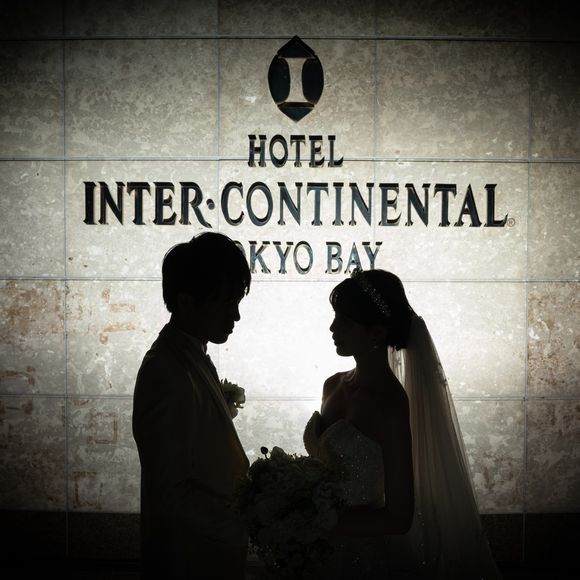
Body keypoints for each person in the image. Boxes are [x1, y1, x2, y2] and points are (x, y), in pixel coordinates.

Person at [303, 268, 502, 579]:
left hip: (361, 557)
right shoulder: (332, 385)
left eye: (345, 320)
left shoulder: (390, 405)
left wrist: (317, 521)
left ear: (376, 334)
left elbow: (399, 518)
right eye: (335, 316)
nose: (332, 327)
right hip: (313, 550)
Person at [132, 232, 251, 580]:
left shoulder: (190, 354)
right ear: (186, 302)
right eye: (226, 303)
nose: (236, 316)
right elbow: (172, 493)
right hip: (188, 558)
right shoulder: (165, 369)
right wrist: (251, 521)